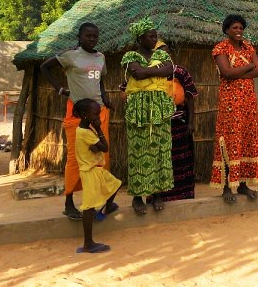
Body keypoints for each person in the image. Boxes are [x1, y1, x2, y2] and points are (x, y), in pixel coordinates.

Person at [40, 22, 111, 220]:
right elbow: (44, 67)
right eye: (88, 35)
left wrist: (104, 97)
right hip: (78, 113)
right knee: (74, 158)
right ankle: (69, 202)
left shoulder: (100, 57)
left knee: (100, 157)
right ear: (79, 37)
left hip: (100, 112)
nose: (92, 39)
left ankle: (99, 201)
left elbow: (100, 80)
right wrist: (60, 89)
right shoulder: (70, 56)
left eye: (95, 36)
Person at [121, 18, 175, 215]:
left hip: (160, 107)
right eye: (150, 36)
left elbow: (170, 70)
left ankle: (157, 194)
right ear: (139, 38)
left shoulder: (161, 53)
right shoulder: (129, 56)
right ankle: (137, 197)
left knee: (161, 150)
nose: (154, 39)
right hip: (139, 109)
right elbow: (138, 75)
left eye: (155, 36)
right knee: (139, 151)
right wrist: (156, 70)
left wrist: (148, 71)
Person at [211, 14, 258, 203]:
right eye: (235, 27)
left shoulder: (249, 47)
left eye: (241, 28)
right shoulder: (221, 48)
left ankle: (242, 184)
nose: (239, 31)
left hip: (248, 103)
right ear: (226, 30)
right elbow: (226, 73)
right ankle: (227, 187)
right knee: (229, 140)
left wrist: (238, 73)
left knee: (246, 139)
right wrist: (249, 65)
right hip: (230, 105)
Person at [73, 99, 121, 254]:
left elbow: (99, 147)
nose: (98, 118)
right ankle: (88, 244)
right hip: (90, 172)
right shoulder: (86, 132)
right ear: (84, 115)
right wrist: (99, 130)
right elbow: (105, 147)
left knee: (115, 184)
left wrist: (97, 145)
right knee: (88, 207)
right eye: (95, 114)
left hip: (96, 169)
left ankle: (108, 207)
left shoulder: (86, 129)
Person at [154, 40, 198, 201]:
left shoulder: (179, 72)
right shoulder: (149, 73)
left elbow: (190, 97)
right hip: (157, 125)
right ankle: (160, 196)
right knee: (161, 161)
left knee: (182, 161)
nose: (162, 55)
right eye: (158, 52)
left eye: (165, 52)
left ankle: (184, 196)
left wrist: (191, 122)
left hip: (179, 124)